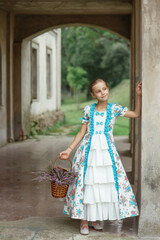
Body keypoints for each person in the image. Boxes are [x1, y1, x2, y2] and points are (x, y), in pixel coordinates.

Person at [59, 79, 142, 235]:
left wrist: (139, 96)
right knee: (88, 183)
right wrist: (69, 150)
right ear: (93, 94)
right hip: (88, 153)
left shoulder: (114, 109)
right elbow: (81, 132)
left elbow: (136, 114)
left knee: (101, 184)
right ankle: (84, 221)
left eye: (104, 89)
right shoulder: (88, 110)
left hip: (106, 154)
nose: (102, 92)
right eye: (98, 91)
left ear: (108, 89)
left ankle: (94, 218)